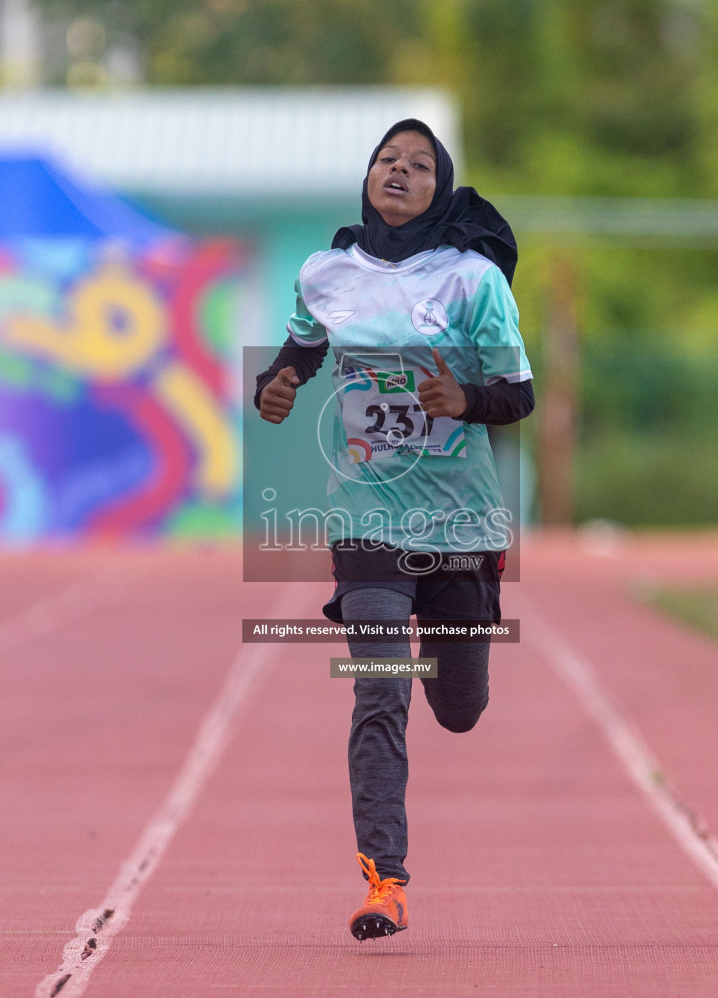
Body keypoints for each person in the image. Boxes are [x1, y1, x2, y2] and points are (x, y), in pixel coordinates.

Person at [253, 119, 534, 941]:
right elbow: (298, 355)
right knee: (380, 685)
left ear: (440, 188)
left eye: (418, 165)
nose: (399, 172)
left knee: (458, 707)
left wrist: (464, 401)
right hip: (366, 516)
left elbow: (517, 394)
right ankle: (386, 880)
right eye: (387, 160)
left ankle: (462, 665)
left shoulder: (475, 282)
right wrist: (275, 387)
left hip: (458, 520)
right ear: (367, 177)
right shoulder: (325, 273)